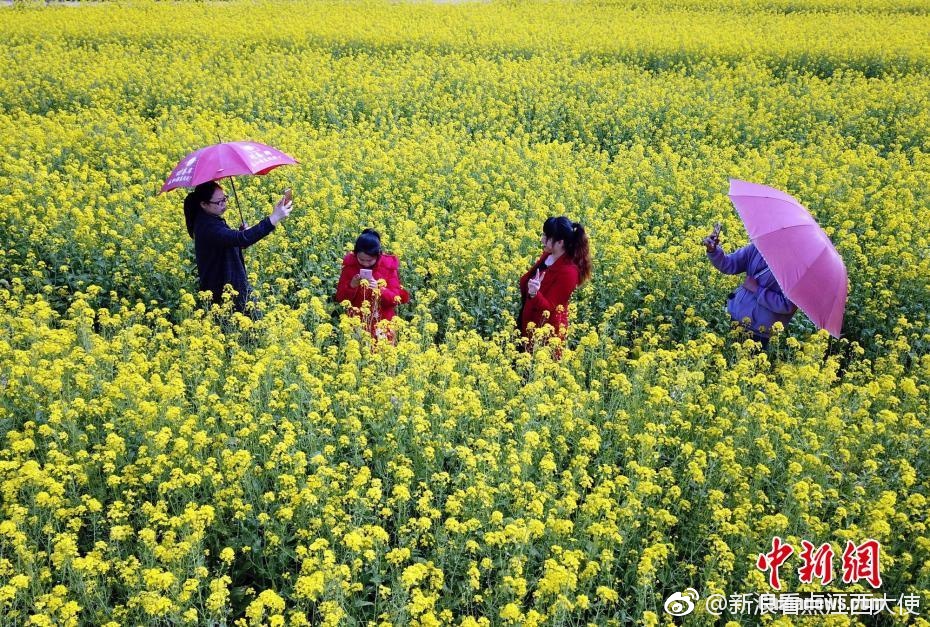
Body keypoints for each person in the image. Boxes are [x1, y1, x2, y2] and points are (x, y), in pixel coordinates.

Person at [184, 181, 293, 313]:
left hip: (230, 286)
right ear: (204, 204)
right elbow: (239, 239)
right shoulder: (207, 226)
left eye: (225, 198)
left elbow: (231, 242)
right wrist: (274, 218)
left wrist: (242, 234)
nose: (224, 204)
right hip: (225, 291)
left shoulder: (209, 219)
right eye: (219, 202)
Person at [703, 225, 797, 347]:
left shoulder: (796, 270)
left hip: (760, 331)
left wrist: (757, 290)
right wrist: (713, 251)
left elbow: (788, 305)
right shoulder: (758, 248)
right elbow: (729, 264)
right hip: (737, 318)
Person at [518, 216, 592, 349]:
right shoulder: (548, 255)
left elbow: (551, 308)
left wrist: (535, 294)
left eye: (547, 237)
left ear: (560, 242)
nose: (542, 240)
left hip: (546, 336)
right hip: (528, 324)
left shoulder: (569, 272)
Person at [334, 229, 410, 339]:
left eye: (369, 261)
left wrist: (380, 289)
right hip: (357, 322)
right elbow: (341, 298)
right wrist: (352, 286)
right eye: (361, 260)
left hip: (383, 323)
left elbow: (396, 298)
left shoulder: (388, 267)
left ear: (378, 255)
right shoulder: (349, 266)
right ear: (355, 255)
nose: (365, 263)